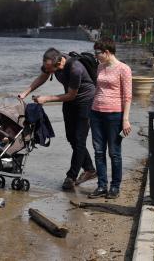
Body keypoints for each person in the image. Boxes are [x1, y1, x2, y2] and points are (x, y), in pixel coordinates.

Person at [18, 48, 97, 191]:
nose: (51, 72)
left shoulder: (75, 69)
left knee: (79, 139)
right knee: (71, 138)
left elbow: (72, 95)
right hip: (70, 101)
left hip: (85, 102)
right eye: (48, 69)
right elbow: (43, 76)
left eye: (53, 69)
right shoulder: (51, 64)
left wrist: (47, 98)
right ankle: (90, 169)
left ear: (60, 61)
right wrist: (25, 93)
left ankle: (71, 177)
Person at [88, 37, 132, 199]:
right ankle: (101, 186)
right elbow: (98, 89)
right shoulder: (100, 67)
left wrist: (125, 119)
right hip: (96, 113)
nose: (96, 56)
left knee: (114, 152)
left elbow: (127, 96)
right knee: (99, 152)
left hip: (115, 116)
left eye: (97, 53)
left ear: (107, 52)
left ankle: (115, 187)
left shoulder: (124, 69)